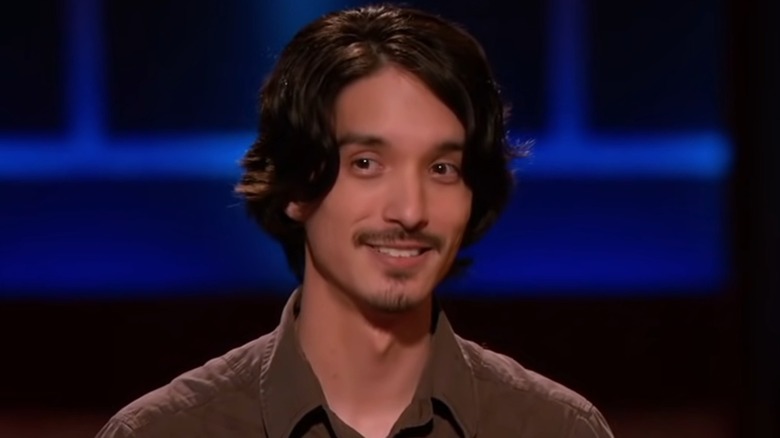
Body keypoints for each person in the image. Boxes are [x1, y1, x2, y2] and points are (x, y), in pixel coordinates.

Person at [97, 4, 613, 437]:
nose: (410, 211)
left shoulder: (556, 428)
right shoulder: (164, 432)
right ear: (297, 186)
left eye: (442, 168)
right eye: (366, 163)